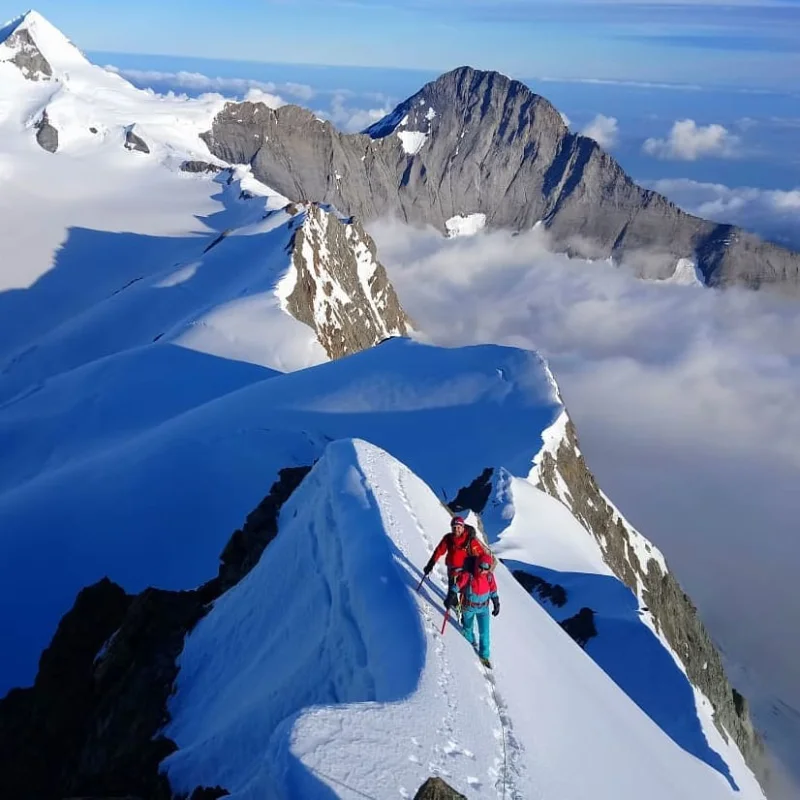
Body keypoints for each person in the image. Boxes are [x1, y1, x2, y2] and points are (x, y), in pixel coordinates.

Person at [423, 516, 494, 601]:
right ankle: (455, 605)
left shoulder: (470, 541)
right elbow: (439, 551)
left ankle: (462, 607)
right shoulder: (448, 538)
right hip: (452, 570)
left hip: (465, 571)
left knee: (464, 591)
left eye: (459, 527)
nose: (456, 529)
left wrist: (483, 569)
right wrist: (430, 564)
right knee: (452, 592)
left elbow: (482, 555)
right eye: (454, 527)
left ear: (463, 528)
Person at [452, 554, 500, 667]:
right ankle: (469, 644)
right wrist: (452, 594)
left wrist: (496, 602)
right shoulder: (468, 575)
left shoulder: (489, 577)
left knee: (485, 632)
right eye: (481, 566)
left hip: (484, 609)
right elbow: (458, 585)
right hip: (468, 607)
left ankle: (484, 655)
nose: (483, 570)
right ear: (477, 564)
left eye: (486, 567)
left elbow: (493, 590)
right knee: (467, 628)